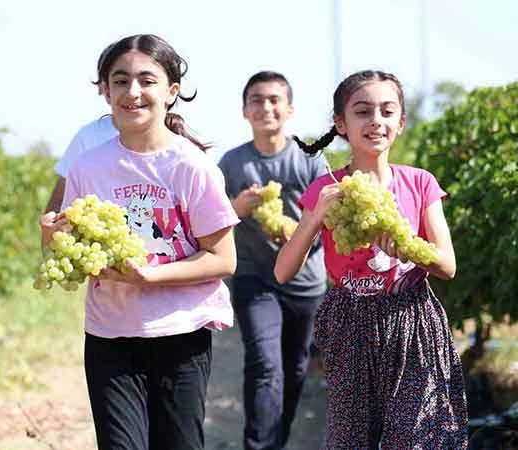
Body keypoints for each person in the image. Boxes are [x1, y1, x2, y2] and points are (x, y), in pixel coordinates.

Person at [40, 34, 239, 450]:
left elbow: (223, 259)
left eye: (146, 81)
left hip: (181, 333)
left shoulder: (191, 166)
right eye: (120, 80)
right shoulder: (88, 166)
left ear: (171, 91)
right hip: (110, 335)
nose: (133, 92)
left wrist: (149, 276)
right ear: (105, 90)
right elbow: (73, 255)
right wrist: (52, 239)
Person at [274, 69, 468, 449]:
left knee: (418, 437)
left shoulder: (420, 182)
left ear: (401, 121)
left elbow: (447, 266)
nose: (376, 120)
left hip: (412, 321)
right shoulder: (325, 190)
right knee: (352, 439)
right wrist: (316, 216)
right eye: (362, 111)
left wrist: (407, 244)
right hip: (349, 322)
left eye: (387, 111)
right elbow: (283, 271)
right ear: (340, 124)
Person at [217, 71, 328, 450]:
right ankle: (259, 446)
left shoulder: (311, 161)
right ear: (245, 110)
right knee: (265, 365)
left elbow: (332, 222)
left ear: (289, 109)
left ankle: (274, 441)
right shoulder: (231, 164)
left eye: (274, 100)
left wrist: (297, 236)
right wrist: (235, 208)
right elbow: (206, 220)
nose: (266, 107)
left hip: (305, 282)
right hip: (254, 279)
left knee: (295, 369)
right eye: (257, 100)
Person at [44, 43, 119, 213]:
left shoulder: (174, 142)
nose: (131, 91)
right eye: (119, 81)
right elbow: (58, 202)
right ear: (102, 88)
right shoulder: (89, 137)